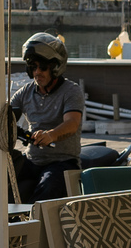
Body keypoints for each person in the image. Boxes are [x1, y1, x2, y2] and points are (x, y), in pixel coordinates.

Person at [8, 32, 85, 202]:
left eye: (42, 67)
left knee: (47, 191)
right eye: (33, 67)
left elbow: (72, 123)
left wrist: (50, 135)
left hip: (62, 162)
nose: (37, 72)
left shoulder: (71, 91)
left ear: (55, 67)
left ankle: (37, 227)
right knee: (0, 180)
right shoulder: (25, 92)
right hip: (32, 159)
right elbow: (6, 114)